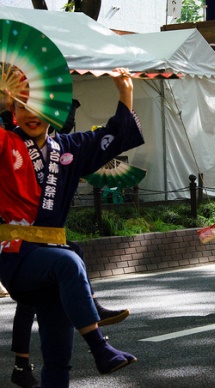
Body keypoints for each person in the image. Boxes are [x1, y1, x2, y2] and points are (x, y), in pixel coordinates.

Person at [0, 67, 141, 386]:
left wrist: (125, 93)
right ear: (13, 110)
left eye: (38, 107)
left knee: (58, 358)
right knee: (70, 261)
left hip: (52, 258)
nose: (31, 115)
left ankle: (94, 334)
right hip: (17, 254)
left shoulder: (66, 147)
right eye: (22, 106)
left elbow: (113, 137)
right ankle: (100, 347)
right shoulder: (5, 144)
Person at [10, 241, 130, 388]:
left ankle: (21, 367)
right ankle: (98, 345)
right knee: (67, 262)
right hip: (14, 249)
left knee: (72, 251)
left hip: (33, 248)